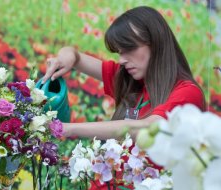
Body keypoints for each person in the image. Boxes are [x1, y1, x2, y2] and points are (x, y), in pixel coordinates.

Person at [42, 6, 205, 140]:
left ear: (156, 43)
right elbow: (75, 56)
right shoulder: (130, 80)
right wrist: (64, 57)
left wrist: (67, 129)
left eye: (129, 49)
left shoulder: (188, 93)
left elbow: (150, 127)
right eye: (119, 52)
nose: (122, 60)